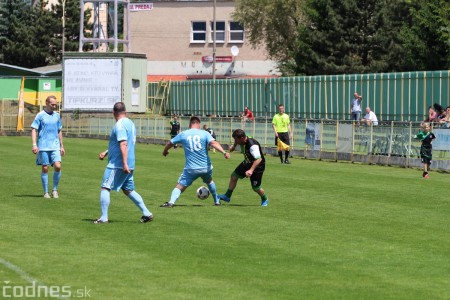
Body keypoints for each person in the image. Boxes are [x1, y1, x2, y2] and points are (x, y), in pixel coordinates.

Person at [94, 102, 153, 224]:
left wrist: (124, 163)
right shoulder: (130, 123)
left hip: (118, 164)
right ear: (125, 112)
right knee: (128, 189)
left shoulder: (119, 125)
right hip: (130, 163)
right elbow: (122, 143)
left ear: (113, 113)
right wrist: (107, 152)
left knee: (105, 187)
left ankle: (104, 218)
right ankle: (147, 213)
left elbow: (123, 144)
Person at [160, 116, 230, 207]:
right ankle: (217, 201)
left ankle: (171, 202)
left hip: (191, 168)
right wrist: (224, 152)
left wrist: (165, 151)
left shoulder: (184, 134)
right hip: (205, 167)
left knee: (180, 186)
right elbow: (213, 143)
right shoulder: (204, 133)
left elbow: (170, 143)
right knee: (209, 181)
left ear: (190, 124)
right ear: (198, 123)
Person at [218, 129, 269, 207]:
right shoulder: (243, 138)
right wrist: (234, 147)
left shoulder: (252, 145)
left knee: (256, 187)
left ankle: (264, 199)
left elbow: (259, 159)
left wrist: (251, 170)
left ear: (242, 138)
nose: (235, 141)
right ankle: (227, 196)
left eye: (236, 140)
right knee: (234, 176)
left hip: (258, 166)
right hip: (247, 161)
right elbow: (237, 141)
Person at [31, 95, 65, 199]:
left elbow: (59, 130)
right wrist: (34, 144)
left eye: (55, 104)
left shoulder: (57, 116)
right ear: (47, 103)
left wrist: (62, 146)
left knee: (58, 166)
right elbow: (33, 129)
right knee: (45, 168)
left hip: (55, 146)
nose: (54, 106)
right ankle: (46, 192)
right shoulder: (40, 115)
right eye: (52, 104)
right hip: (44, 146)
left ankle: (54, 190)